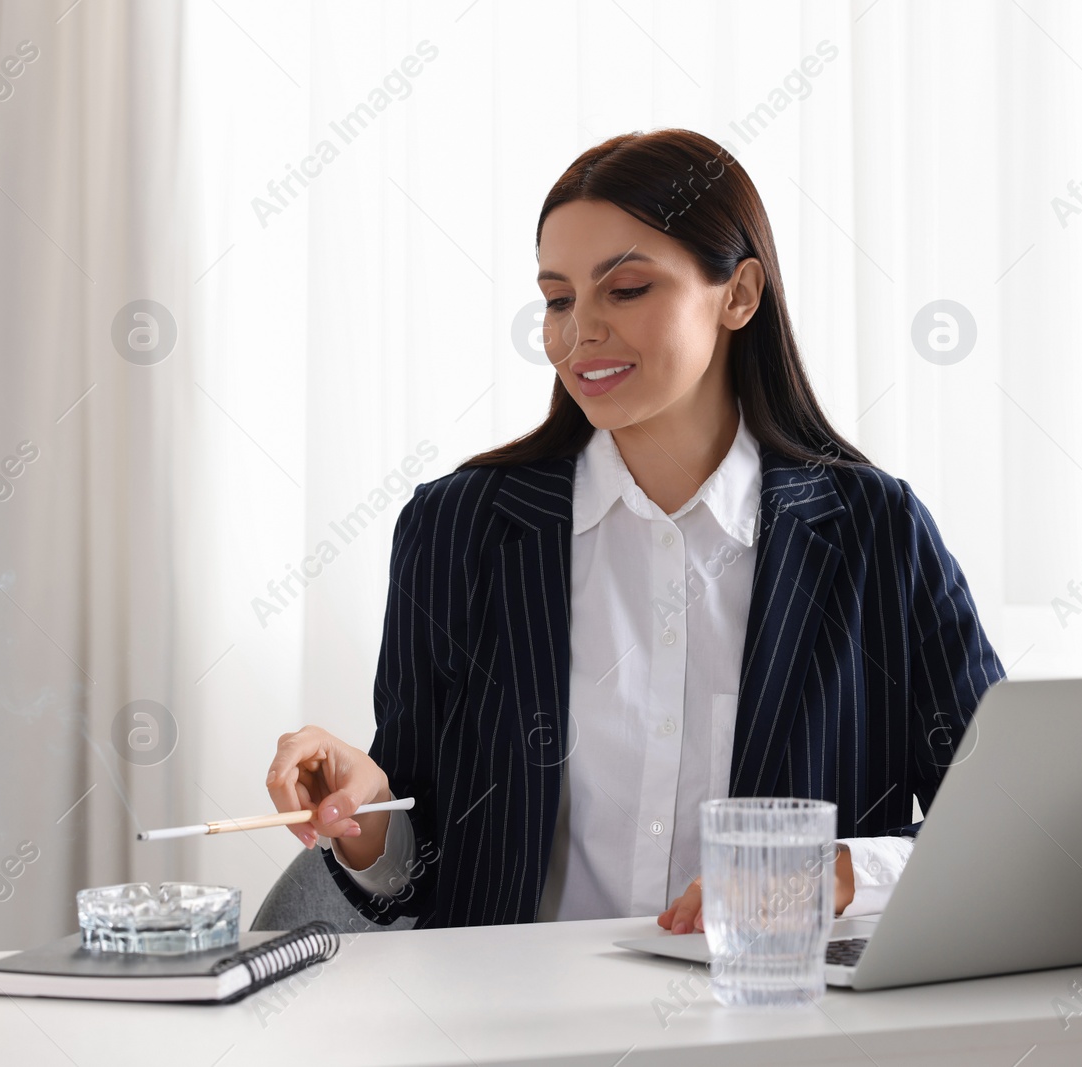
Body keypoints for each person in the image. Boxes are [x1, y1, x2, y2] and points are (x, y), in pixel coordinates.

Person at [265, 128, 1004, 931]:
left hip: (775, 1027)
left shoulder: (876, 534)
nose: (578, 332)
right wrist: (369, 812)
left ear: (740, 294)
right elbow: (421, 880)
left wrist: (842, 872)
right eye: (557, 298)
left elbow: (1009, 825)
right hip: (510, 1036)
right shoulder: (458, 529)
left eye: (625, 290)